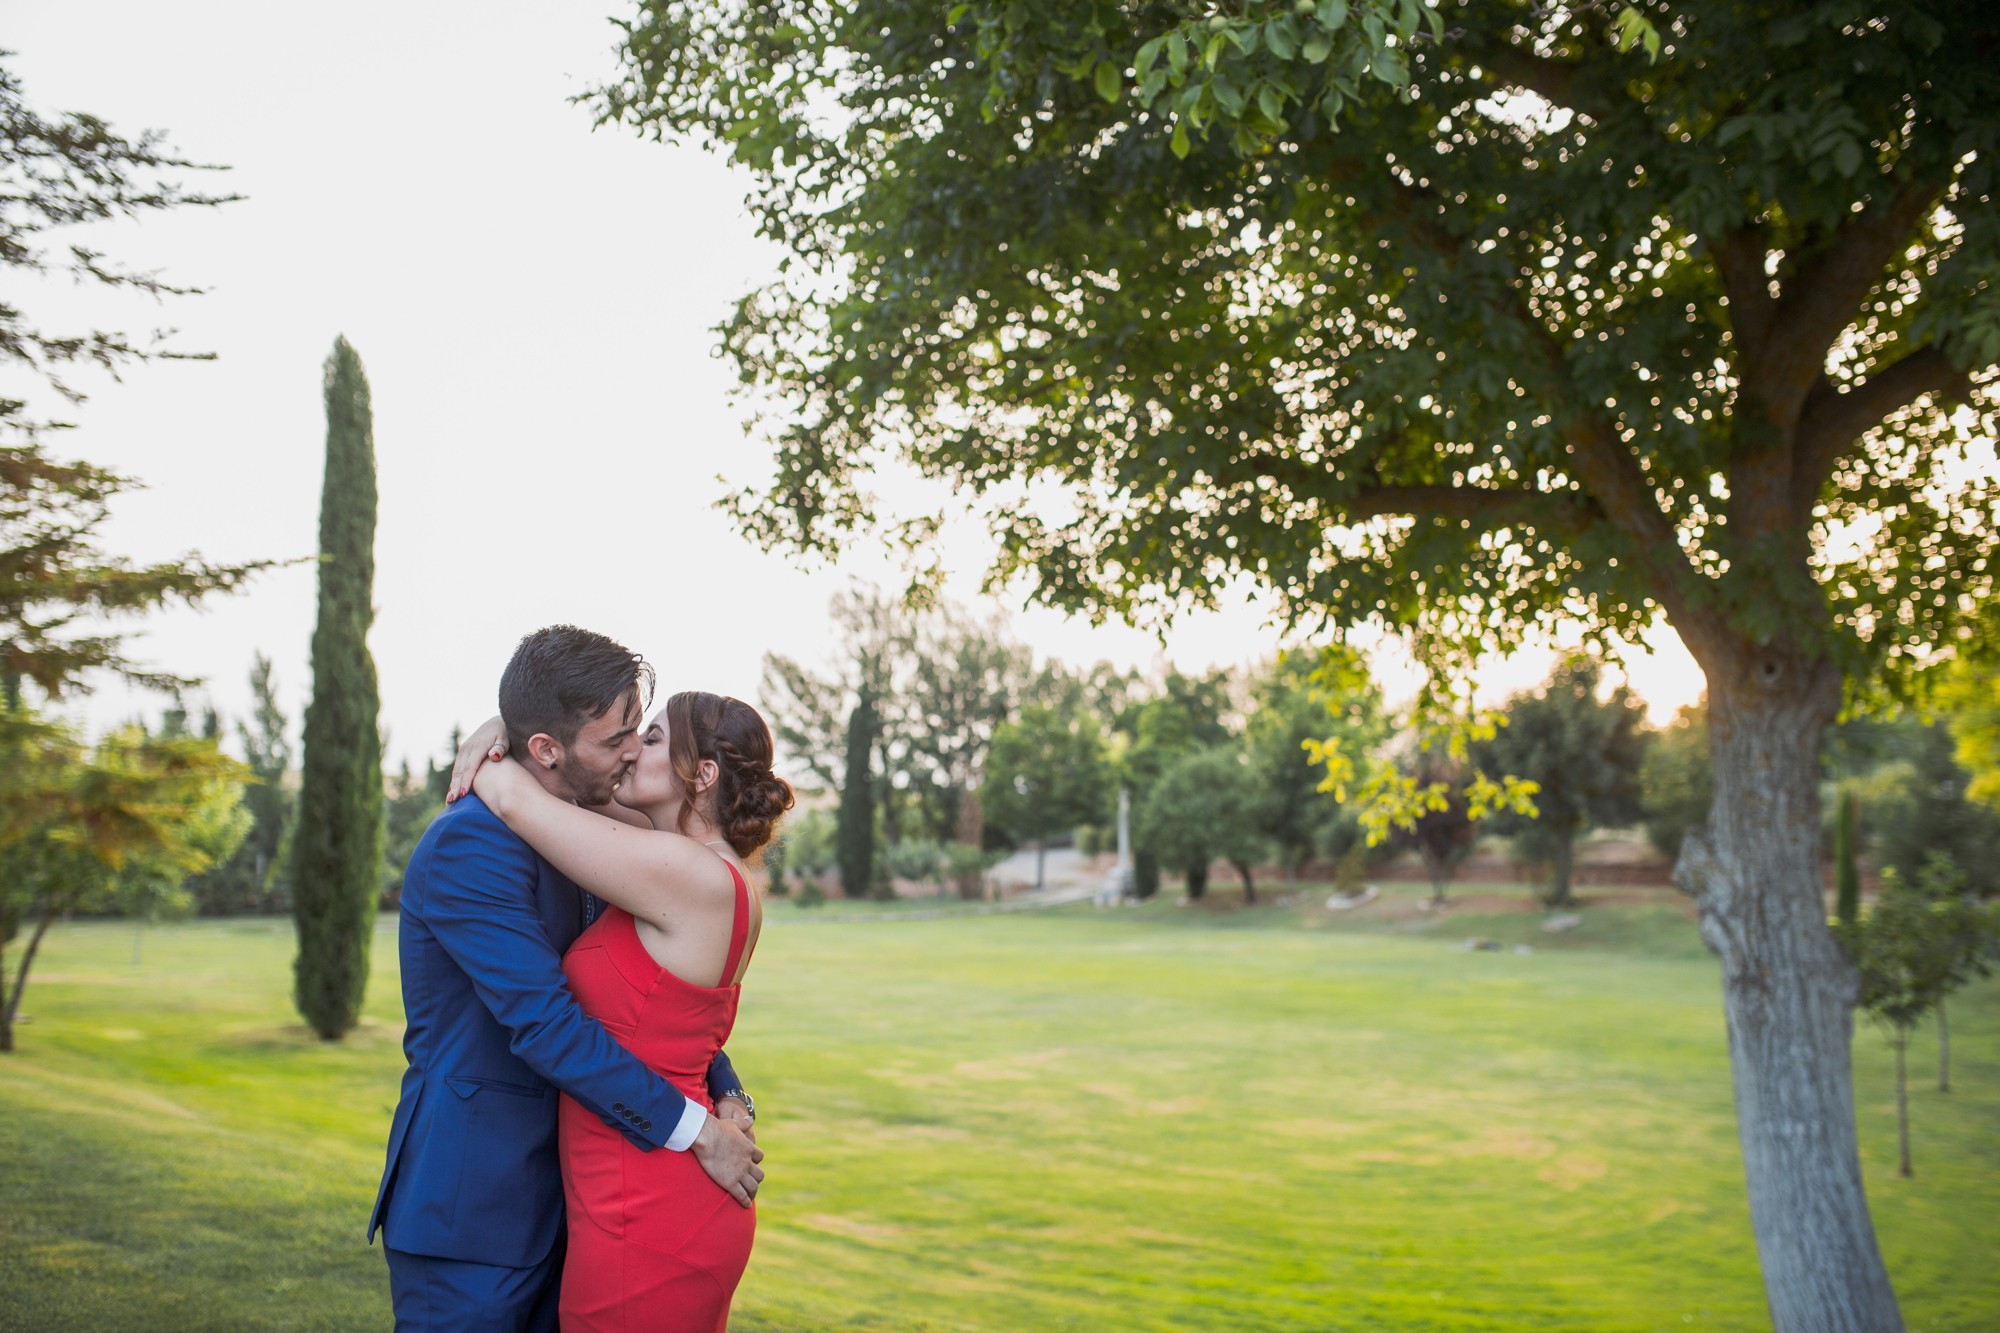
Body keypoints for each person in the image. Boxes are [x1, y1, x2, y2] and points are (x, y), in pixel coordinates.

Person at [368, 626, 763, 1331]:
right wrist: (697, 1128)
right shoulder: (470, 843)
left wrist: (725, 1086)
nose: (632, 750)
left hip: (588, 1199)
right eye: (618, 738)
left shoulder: (593, 835)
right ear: (549, 749)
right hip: (476, 1204)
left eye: (640, 733)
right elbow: (548, 1023)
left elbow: (647, 999)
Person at [449, 685, 794, 1332]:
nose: (632, 749)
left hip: (651, 1204)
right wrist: (510, 723)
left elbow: (517, 797)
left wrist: (493, 740)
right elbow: (570, 781)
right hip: (645, 1183)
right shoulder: (693, 862)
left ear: (703, 775)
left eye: (653, 737)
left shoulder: (686, 874)